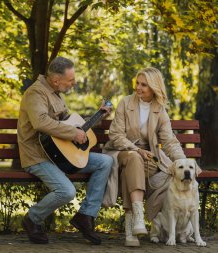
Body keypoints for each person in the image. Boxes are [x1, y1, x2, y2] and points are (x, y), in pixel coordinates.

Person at [17, 56, 113, 245]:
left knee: (106, 162)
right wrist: (72, 133)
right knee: (66, 191)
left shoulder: (55, 94)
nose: (74, 83)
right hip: (37, 156)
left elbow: (73, 125)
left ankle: (85, 216)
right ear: (55, 80)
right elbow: (41, 122)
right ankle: (32, 219)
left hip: (61, 155)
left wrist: (99, 114)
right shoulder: (35, 93)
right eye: (70, 80)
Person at [103, 67, 187, 247]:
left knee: (132, 171)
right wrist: (137, 149)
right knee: (133, 158)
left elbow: (169, 141)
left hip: (147, 159)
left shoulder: (159, 109)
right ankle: (138, 220)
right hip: (122, 152)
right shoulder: (125, 103)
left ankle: (130, 230)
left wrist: (183, 162)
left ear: (154, 87)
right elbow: (116, 135)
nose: (138, 88)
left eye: (144, 85)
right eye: (137, 83)